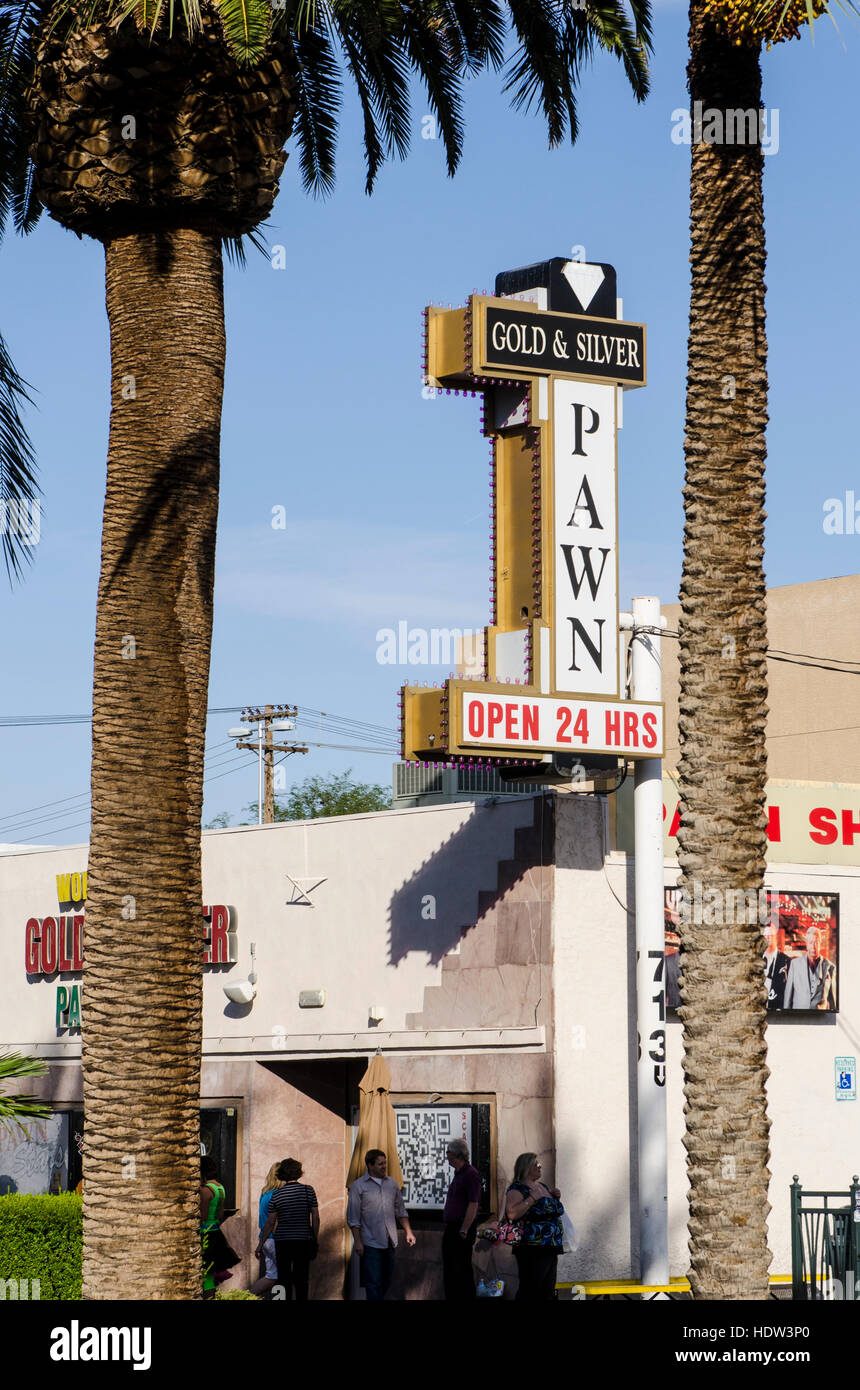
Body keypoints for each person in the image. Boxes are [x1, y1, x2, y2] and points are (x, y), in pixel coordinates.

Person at [346, 1149, 416, 1301]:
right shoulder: (358, 1186)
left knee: (386, 1281)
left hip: (390, 1241)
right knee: (373, 1283)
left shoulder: (392, 1184)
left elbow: (400, 1210)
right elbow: (353, 1218)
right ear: (370, 1166)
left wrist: (409, 1232)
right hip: (370, 1243)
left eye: (385, 1163)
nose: (384, 1166)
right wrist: (357, 1241)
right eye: (380, 1164)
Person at [255, 1158, 319, 1301]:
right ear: (299, 1172)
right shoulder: (308, 1190)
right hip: (303, 1240)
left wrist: (260, 1244)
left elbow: (270, 1222)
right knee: (301, 1279)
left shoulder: (277, 1195)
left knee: (283, 1280)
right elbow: (315, 1217)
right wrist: (315, 1237)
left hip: (282, 1242)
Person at [505, 1153, 564, 1301]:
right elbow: (512, 1214)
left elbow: (548, 1211)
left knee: (547, 1290)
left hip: (551, 1245)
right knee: (530, 1289)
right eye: (536, 1164)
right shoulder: (517, 1189)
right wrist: (532, 1198)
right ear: (526, 1168)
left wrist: (555, 1198)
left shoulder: (542, 1186)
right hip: (532, 1247)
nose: (540, 1166)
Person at [442, 1138, 481, 1300]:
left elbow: (473, 1203)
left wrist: (464, 1228)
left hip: (461, 1228)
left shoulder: (470, 1174)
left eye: (448, 1152)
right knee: (451, 1268)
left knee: (461, 1269)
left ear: (455, 1154)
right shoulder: (459, 1174)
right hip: (452, 1227)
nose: (446, 1155)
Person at [250, 1161, 286, 1298]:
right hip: (274, 1239)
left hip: (265, 1239)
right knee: (284, 1275)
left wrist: (260, 1244)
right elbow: (274, 1221)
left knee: (272, 1276)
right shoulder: (278, 1194)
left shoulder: (265, 1193)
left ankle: (247, 1296)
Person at [783, 926, 837, 1011]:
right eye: (811, 942)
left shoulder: (830, 967)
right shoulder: (795, 964)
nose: (813, 946)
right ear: (806, 944)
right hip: (798, 1018)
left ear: (820, 943)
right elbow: (787, 999)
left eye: (816, 942)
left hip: (820, 1020)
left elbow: (834, 1004)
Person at [199, 1156, 226, 1300]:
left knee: (206, 1274)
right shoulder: (220, 1187)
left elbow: (202, 1216)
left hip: (205, 1234)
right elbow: (221, 1214)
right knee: (210, 1272)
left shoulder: (206, 1190)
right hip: (216, 1232)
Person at [763, 922, 790, 1012]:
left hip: (778, 1012)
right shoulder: (756, 960)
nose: (768, 938)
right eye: (765, 936)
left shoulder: (787, 961)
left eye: (770, 935)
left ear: (776, 938)